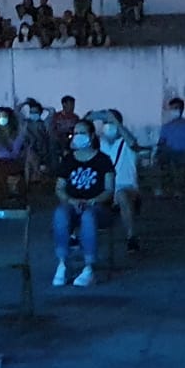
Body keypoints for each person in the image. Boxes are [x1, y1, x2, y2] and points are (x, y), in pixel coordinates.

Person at [52, 121, 113, 287]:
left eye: (82, 133)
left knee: (88, 216)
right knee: (60, 213)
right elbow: (59, 187)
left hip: (97, 207)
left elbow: (109, 190)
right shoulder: (68, 160)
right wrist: (71, 200)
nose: (78, 136)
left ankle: (89, 267)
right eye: (76, 133)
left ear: (91, 136)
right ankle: (63, 263)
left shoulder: (103, 160)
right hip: (73, 204)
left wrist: (92, 201)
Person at [92, 110, 141, 254]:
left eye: (111, 123)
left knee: (121, 195)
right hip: (106, 189)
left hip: (127, 188)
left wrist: (116, 122)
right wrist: (95, 117)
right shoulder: (101, 143)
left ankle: (131, 237)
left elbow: (133, 143)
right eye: (106, 123)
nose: (108, 126)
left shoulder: (126, 142)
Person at [152, 98, 185, 198]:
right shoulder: (166, 127)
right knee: (159, 160)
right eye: (171, 109)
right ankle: (161, 188)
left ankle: (177, 190)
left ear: (181, 110)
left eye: (174, 108)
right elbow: (161, 143)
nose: (172, 111)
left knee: (178, 163)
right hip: (171, 155)